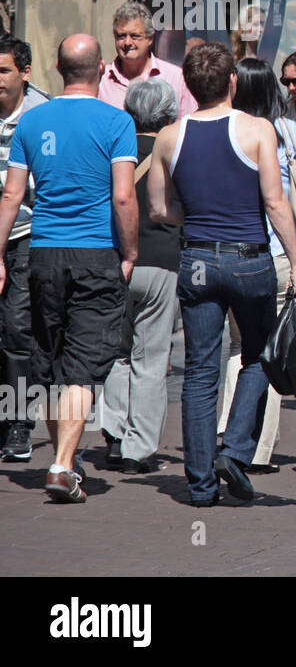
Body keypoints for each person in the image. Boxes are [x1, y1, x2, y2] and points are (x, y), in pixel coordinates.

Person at [146, 43, 296, 506]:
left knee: (199, 372)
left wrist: (194, 215)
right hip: (249, 257)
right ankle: (234, 451)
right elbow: (275, 202)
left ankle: (198, 486)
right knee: (256, 355)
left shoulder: (169, 137)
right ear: (232, 82)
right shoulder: (258, 130)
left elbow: (158, 208)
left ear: (190, 88)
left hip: (197, 258)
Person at [0, 35, 137, 504]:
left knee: (53, 364)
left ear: (57, 69)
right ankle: (61, 465)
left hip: (43, 254)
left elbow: (12, 196)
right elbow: (123, 196)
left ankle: (67, 458)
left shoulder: (33, 121)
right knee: (80, 371)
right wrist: (130, 252)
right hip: (95, 252)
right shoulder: (117, 121)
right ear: (100, 68)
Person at [216, 58, 296, 471]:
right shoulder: (285, 131)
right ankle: (255, 447)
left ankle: (226, 433)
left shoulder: (221, 129)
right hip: (277, 256)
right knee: (268, 351)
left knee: (238, 348)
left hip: (225, 253)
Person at [100, 79, 181, 475]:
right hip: (162, 263)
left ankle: (113, 434)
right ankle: (138, 448)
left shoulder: (115, 151)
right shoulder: (176, 151)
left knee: (117, 352)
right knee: (150, 359)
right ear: (169, 115)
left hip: (115, 261)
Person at [0, 37, 47, 462]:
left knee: (17, 329)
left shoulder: (41, 115)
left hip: (25, 237)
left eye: (4, 71)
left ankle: (19, 424)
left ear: (24, 73)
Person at [98, 1, 198, 118]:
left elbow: (187, 125)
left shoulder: (175, 78)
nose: (127, 42)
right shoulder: (102, 80)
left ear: (150, 38)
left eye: (135, 36)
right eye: (121, 36)